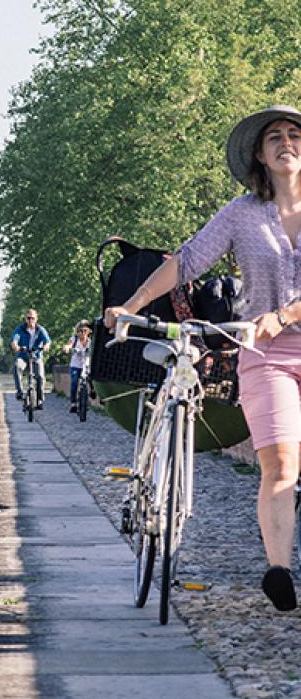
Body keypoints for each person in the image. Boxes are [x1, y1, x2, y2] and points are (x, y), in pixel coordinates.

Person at [105, 104, 301, 612]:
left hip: (279, 328)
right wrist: (131, 304)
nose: (286, 142)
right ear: (260, 154)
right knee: (279, 464)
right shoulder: (242, 213)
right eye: (274, 136)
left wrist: (285, 313)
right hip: (266, 353)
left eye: (295, 134)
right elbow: (188, 260)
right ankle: (279, 570)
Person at [11, 309, 51, 407]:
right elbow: (15, 339)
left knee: (40, 376)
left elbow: (47, 341)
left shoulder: (40, 330)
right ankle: (19, 392)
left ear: (36, 319)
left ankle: (40, 399)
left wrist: (45, 346)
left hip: (36, 356)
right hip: (23, 356)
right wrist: (16, 346)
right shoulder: (20, 329)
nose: (30, 320)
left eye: (33, 318)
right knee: (17, 367)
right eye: (28, 318)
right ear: (25, 319)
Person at [63, 320, 92, 413]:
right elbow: (68, 345)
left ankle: (93, 391)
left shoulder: (90, 341)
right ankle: (73, 404)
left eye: (85, 331)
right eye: (80, 331)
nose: (82, 333)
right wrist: (67, 348)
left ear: (88, 331)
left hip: (86, 365)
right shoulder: (74, 339)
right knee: (74, 382)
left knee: (91, 379)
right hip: (75, 365)